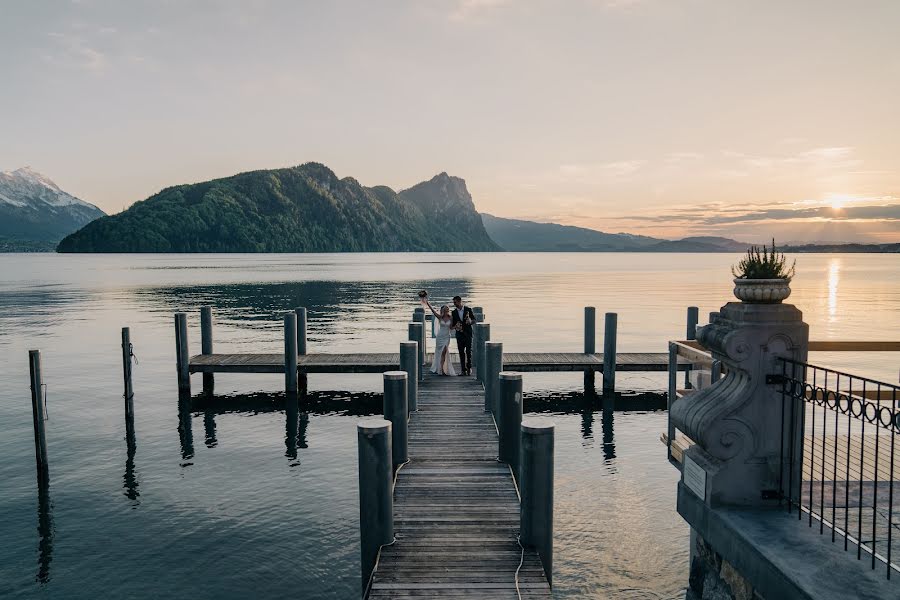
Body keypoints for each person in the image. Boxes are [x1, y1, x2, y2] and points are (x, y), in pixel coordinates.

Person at [423, 298, 457, 376]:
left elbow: (451, 328)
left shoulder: (450, 318)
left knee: (444, 351)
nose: (446, 311)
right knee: (440, 352)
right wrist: (427, 303)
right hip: (440, 337)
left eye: (447, 310)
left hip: (447, 337)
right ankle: (440, 369)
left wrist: (456, 326)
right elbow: (433, 311)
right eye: (445, 310)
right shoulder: (440, 317)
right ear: (443, 311)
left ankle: (442, 369)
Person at [450, 295, 475, 376]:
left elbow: (474, 320)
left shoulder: (468, 309)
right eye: (453, 302)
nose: (454, 304)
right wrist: (455, 326)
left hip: (468, 334)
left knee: (468, 351)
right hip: (459, 335)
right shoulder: (453, 312)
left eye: (455, 302)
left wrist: (470, 321)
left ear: (460, 301)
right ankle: (463, 370)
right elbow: (453, 325)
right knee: (461, 352)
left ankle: (469, 368)